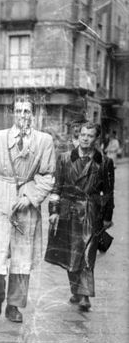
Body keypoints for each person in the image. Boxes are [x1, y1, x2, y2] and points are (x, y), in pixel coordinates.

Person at [0, 96, 56, 323]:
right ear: (12, 114)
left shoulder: (44, 141)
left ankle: (14, 305)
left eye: (27, 111)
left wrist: (31, 197)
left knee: (22, 256)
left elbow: (48, 176)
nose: (23, 115)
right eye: (18, 111)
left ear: (33, 114)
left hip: (26, 199)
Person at [45, 122, 115, 311]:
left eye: (90, 135)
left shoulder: (105, 162)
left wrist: (107, 217)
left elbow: (108, 192)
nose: (85, 138)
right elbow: (56, 187)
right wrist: (53, 211)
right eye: (83, 134)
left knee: (86, 253)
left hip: (90, 211)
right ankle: (76, 291)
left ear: (96, 138)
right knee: (70, 255)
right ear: (78, 136)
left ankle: (84, 296)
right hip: (68, 210)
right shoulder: (64, 158)